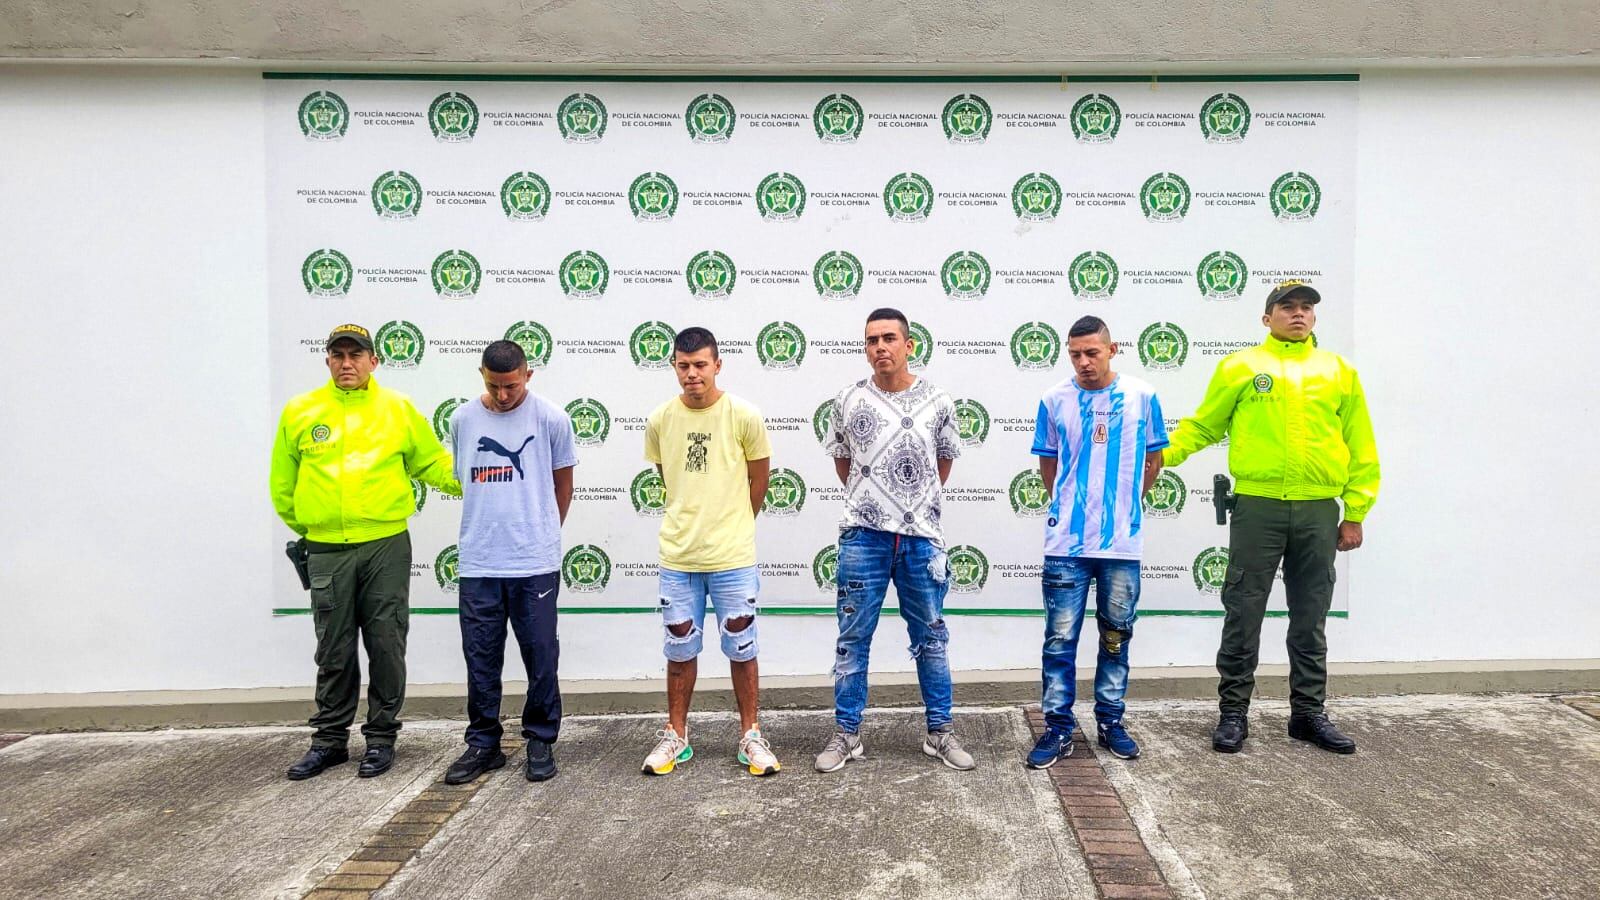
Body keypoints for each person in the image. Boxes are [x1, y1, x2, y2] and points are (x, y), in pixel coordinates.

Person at [1163, 281, 1380, 755]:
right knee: (1244, 611)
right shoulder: (1241, 367)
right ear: (1267, 319)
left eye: (1306, 308)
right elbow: (1203, 425)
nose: (1298, 315)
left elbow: (1361, 444)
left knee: (1310, 616)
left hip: (1319, 509)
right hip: (1257, 506)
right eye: (1287, 308)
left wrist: (1355, 511)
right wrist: (1162, 457)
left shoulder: (1337, 372)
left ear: (1315, 319)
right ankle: (1233, 715)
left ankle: (1307, 714)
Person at [270, 323, 461, 780]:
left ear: (374, 361)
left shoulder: (396, 408)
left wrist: (474, 478)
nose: (347, 364)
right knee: (332, 649)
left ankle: (380, 739)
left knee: (386, 643)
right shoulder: (301, 411)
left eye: (356, 356)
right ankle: (330, 741)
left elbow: (432, 462)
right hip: (326, 550)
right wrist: (318, 527)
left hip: (385, 545)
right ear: (328, 361)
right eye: (338, 356)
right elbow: (282, 486)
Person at [814, 307, 972, 773]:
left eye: (888, 338)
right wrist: (874, 502)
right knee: (852, 639)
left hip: (922, 538)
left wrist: (912, 504)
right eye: (870, 340)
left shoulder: (938, 400)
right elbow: (844, 463)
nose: (879, 347)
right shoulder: (848, 399)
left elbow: (942, 464)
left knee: (932, 637)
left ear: (909, 344)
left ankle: (940, 732)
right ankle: (847, 734)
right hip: (863, 537)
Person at [1026, 316, 1167, 767]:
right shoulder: (1054, 399)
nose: (1084, 362)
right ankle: (1058, 728)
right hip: (1065, 544)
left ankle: (1110, 721)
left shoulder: (1143, 397)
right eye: (1075, 354)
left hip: (1121, 547)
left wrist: (1122, 510)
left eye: (1092, 352)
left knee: (1116, 636)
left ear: (1112, 349)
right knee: (1059, 639)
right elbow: (1049, 467)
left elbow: (1154, 461)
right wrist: (1071, 506)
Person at [639, 327, 780, 777]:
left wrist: (735, 524)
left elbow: (760, 480)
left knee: (742, 647)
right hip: (678, 557)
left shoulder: (744, 415)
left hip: (732, 558)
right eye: (683, 365)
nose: (692, 374)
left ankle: (751, 735)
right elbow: (667, 477)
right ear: (674, 367)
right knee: (678, 650)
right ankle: (676, 736)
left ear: (718, 364)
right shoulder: (661, 418)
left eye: (701, 365)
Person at [442, 340, 577, 785]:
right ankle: (483, 743)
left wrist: (539, 536)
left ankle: (540, 738)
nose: (503, 395)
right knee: (480, 656)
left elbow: (562, 487)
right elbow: (467, 482)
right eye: (494, 386)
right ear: (481, 374)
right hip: (479, 561)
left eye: (512, 386)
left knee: (540, 654)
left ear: (529, 375)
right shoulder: (462, 419)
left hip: (533, 561)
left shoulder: (552, 419)